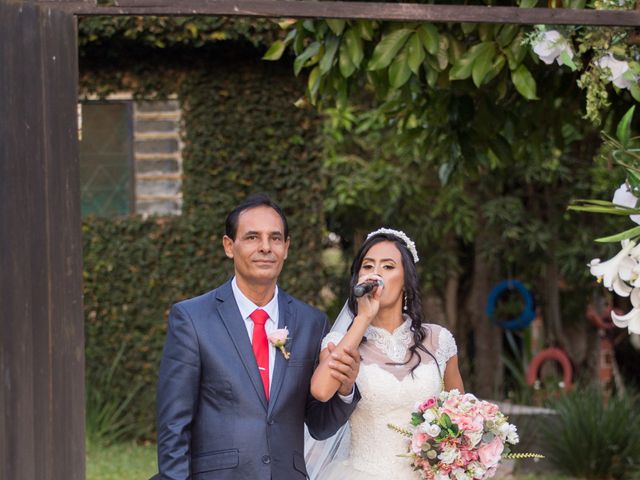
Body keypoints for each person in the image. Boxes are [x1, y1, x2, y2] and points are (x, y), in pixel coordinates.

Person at [155, 194, 361, 480]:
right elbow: (173, 425)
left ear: (286, 248)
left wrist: (345, 389)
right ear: (229, 246)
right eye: (252, 237)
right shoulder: (192, 319)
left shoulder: (311, 323)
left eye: (275, 238)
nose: (266, 247)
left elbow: (320, 425)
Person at [308, 228, 464, 480]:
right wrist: (364, 317)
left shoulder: (439, 340)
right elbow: (321, 390)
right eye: (368, 266)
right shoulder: (341, 341)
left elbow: (461, 417)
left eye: (388, 267)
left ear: (406, 279)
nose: (376, 274)